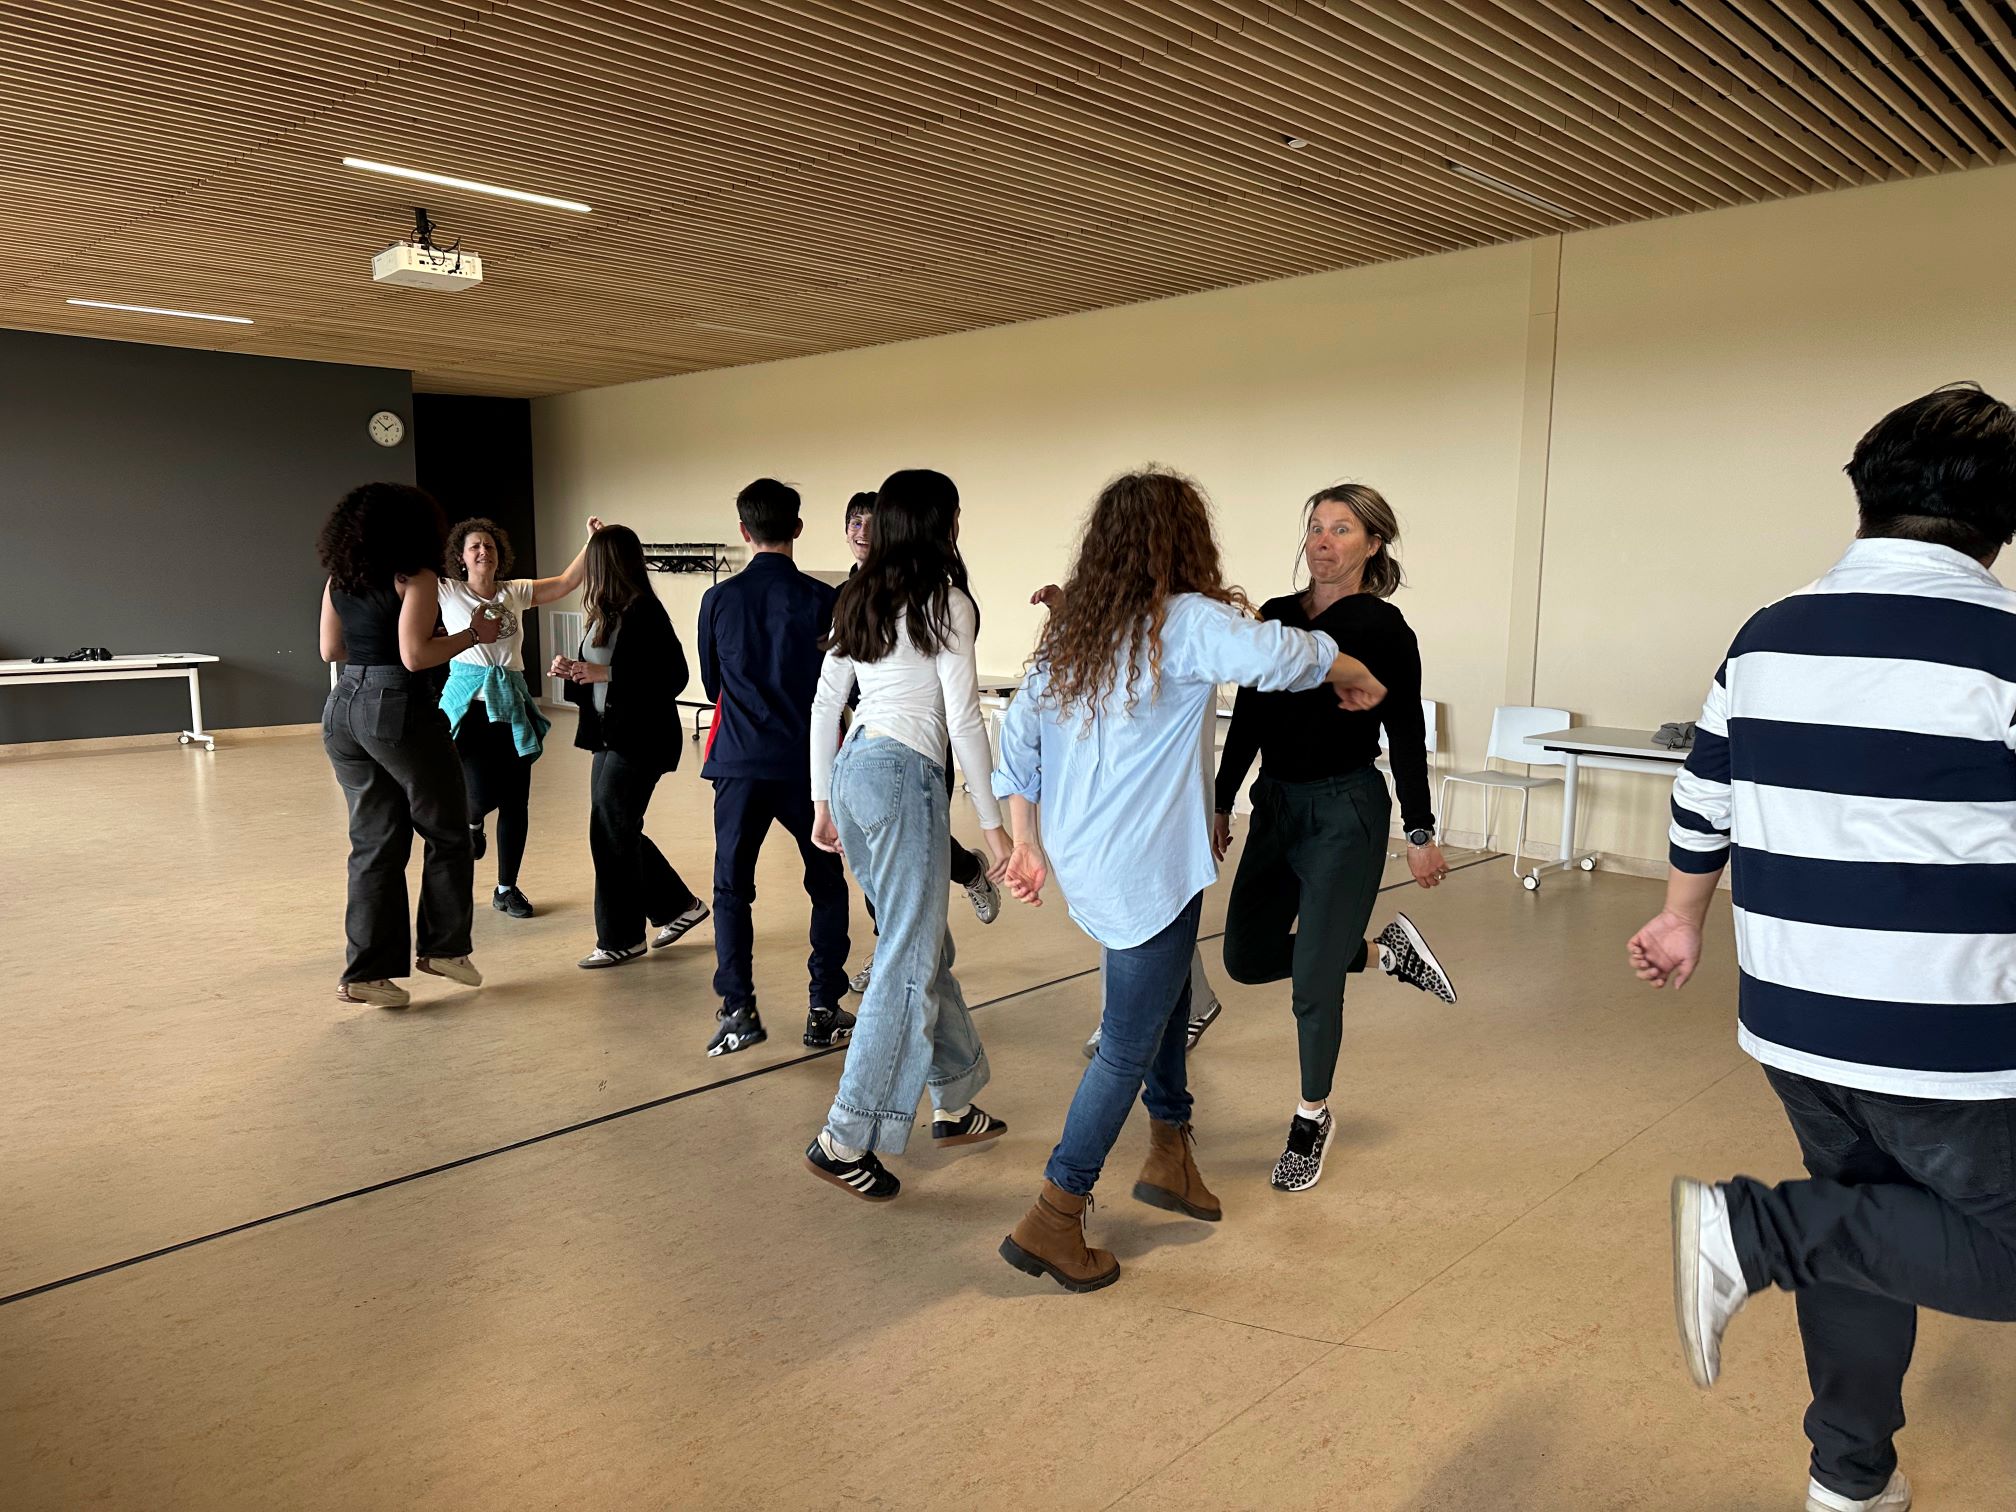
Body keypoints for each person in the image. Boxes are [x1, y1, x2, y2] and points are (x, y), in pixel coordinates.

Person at [1638, 384, 2016, 1512]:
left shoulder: (1768, 634)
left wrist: (1681, 917)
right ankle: (1754, 1231)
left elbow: (1702, 796)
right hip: (1950, 1036)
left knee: (1862, 1227)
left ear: (1865, 495)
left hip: (1797, 1023)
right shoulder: (2003, 649)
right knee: (1894, 1234)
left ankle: (1851, 1478)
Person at [990, 467, 1388, 1291]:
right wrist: (1352, 668)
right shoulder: (1186, 620)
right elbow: (1281, 654)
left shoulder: (1076, 631)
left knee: (1171, 992)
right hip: (1146, 864)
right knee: (1125, 1045)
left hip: (1094, 859)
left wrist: (1025, 841)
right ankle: (1054, 1214)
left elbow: (1018, 742)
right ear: (1184, 540)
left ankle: (1170, 1151)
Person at [1214, 483, 1459, 1194]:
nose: (1323, 541)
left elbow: (1404, 730)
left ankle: (1311, 1115)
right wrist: (1221, 800)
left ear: (1372, 544)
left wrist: (1420, 828)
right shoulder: (1278, 616)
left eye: (1342, 529)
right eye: (1316, 527)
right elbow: (1249, 716)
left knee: (1313, 985)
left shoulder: (1384, 628)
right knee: (1245, 957)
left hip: (1345, 812)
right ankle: (1386, 953)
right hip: (1276, 806)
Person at [804, 470, 1013, 1199]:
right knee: (908, 960)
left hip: (855, 771)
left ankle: (953, 1100)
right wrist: (994, 826)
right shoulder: (948, 602)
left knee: (919, 944)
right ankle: (843, 1136)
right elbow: (964, 719)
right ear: (942, 524)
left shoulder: (859, 593)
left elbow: (826, 704)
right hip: (903, 778)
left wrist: (822, 799)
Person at [1028, 582, 1227, 1060]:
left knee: (1144, 913)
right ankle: (1182, 1010)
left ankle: (1124, 1024)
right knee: (1145, 915)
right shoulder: (1132, 620)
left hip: (1159, 802)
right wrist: (1068, 615)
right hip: (1125, 802)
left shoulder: (1188, 623)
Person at [316, 482, 492, 1008]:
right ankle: (444, 949)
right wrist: (473, 634)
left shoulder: (338, 578)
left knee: (375, 841)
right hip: (397, 705)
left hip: (343, 709)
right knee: (449, 829)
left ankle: (366, 974)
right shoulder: (415, 577)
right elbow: (415, 655)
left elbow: (330, 649)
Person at [697, 479, 854, 1056]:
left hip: (738, 762)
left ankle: (738, 1008)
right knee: (826, 883)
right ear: (798, 528)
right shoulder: (825, 599)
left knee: (731, 887)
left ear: (743, 531)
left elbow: (712, 685)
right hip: (807, 767)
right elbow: (841, 688)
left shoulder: (718, 599)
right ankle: (823, 1007)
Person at [845, 489, 1002, 997]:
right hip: (862, 753)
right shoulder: (854, 593)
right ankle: (904, 949)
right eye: (854, 522)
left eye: (871, 522)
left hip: (917, 751)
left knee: (918, 861)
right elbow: (827, 696)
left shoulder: (947, 602)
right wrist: (823, 793)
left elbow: (962, 716)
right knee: (894, 876)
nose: (862, 532)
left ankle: (959, 886)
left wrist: (992, 821)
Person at [550, 526, 709, 970]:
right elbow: (598, 675)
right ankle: (677, 906)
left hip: (642, 738)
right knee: (614, 826)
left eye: (592, 560)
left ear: (607, 564)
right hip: (609, 734)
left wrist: (606, 674)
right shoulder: (603, 613)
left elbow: (673, 676)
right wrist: (573, 671)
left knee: (610, 827)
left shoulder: (644, 611)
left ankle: (622, 937)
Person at [436, 513, 605, 918]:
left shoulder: (513, 591)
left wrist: (590, 542)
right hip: (468, 706)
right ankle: (472, 821)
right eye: (475, 546)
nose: (483, 551)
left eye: (489, 545)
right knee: (479, 793)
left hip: (510, 702)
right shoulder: (447, 590)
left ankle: (506, 888)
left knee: (516, 801)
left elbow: (566, 582)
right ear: (461, 557)